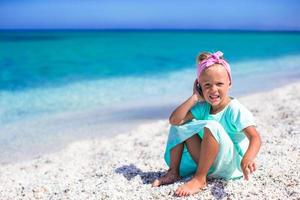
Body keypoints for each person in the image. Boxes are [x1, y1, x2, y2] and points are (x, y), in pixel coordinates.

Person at [152, 51, 262, 197]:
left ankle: (200, 178)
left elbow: (255, 138)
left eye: (219, 84)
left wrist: (248, 158)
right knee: (181, 125)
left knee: (212, 125)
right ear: (199, 86)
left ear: (230, 83)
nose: (213, 89)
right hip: (208, 162)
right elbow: (174, 120)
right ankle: (173, 172)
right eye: (207, 85)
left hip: (230, 165)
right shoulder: (203, 106)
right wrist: (194, 98)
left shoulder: (235, 109)